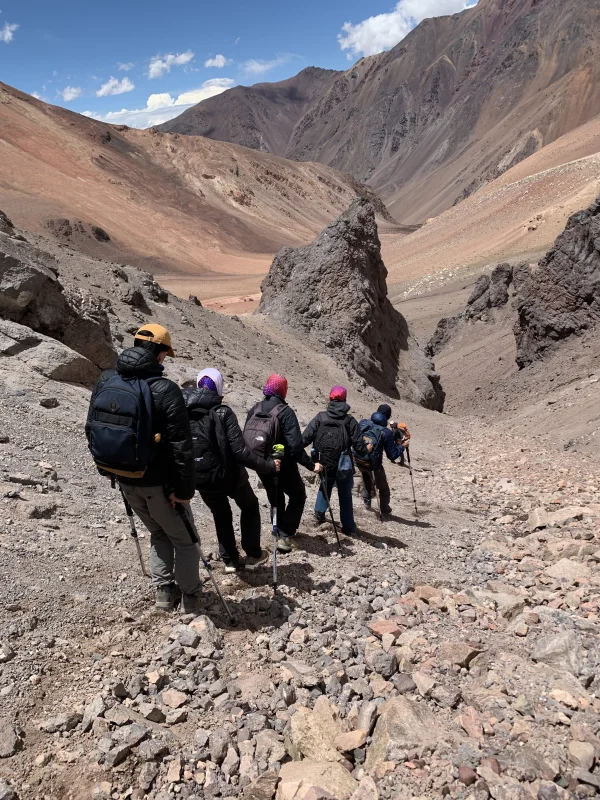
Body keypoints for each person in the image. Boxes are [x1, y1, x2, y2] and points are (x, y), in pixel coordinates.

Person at [86, 324, 201, 614]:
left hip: (124, 480)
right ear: (160, 354)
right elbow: (181, 448)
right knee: (186, 541)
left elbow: (91, 429)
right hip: (160, 485)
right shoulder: (165, 389)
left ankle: (164, 594)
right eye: (165, 354)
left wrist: (110, 471)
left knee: (159, 533)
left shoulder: (106, 379)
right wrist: (184, 491)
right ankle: (192, 600)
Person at [184, 367, 279, 573]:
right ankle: (253, 554)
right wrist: (269, 466)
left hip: (200, 476)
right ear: (218, 386)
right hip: (230, 476)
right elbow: (241, 452)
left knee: (221, 513)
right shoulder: (223, 411)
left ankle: (229, 561)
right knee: (250, 505)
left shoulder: (184, 411)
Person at [245, 374, 323, 553]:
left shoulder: (255, 408)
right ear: (283, 390)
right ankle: (285, 535)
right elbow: (295, 447)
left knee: (276, 497)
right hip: (284, 466)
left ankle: (277, 529)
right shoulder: (285, 412)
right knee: (298, 496)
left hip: (262, 464)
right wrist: (312, 465)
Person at [302, 386, 368, 537]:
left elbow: (304, 439)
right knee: (345, 493)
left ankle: (319, 516)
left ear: (330, 399)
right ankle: (349, 527)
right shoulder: (350, 421)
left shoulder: (320, 417)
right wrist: (366, 453)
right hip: (343, 464)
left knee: (325, 485)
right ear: (345, 400)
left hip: (323, 461)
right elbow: (359, 446)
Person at [356, 404, 404, 515]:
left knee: (366, 480)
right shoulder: (386, 432)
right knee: (383, 488)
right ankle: (385, 510)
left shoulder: (363, 423)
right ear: (387, 416)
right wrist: (402, 446)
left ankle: (366, 505)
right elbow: (392, 455)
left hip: (358, 458)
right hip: (374, 463)